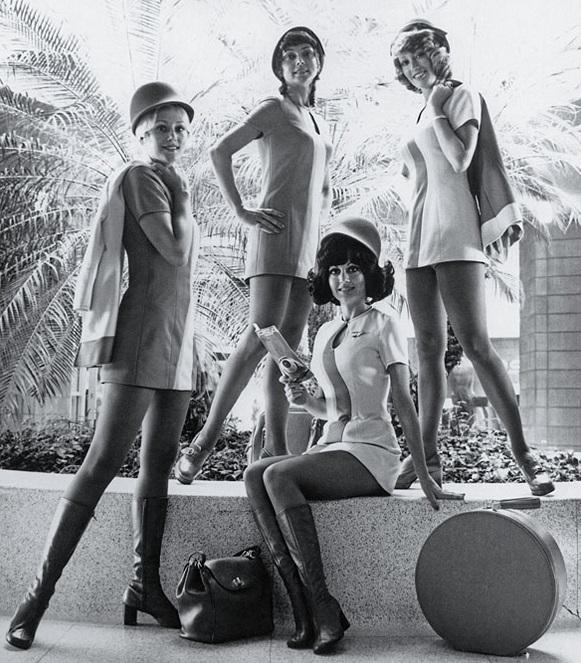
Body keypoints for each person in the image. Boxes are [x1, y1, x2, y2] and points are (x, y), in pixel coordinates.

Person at [5, 81, 199, 650]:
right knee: (101, 462)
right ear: (140, 133)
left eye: (180, 129)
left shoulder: (171, 180)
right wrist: (182, 198)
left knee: (157, 466)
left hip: (178, 340)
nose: (172, 137)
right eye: (161, 128)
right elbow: (173, 250)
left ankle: (145, 586)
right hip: (140, 338)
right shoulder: (143, 178)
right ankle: (35, 601)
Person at [244, 216, 463, 655]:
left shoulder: (385, 323)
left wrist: (422, 472)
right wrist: (304, 399)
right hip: (334, 445)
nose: (344, 280)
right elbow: (331, 409)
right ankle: (303, 611)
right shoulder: (326, 331)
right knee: (255, 475)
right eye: (335, 270)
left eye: (354, 269)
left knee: (277, 476)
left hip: (371, 452)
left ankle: (322, 605)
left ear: (370, 275)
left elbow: (402, 399)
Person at [390, 20, 554, 496]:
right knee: (427, 351)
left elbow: (460, 159)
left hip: (456, 234)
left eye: (419, 54)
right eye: (404, 61)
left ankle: (525, 457)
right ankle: (427, 461)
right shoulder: (424, 109)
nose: (412, 67)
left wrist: (436, 108)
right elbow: (418, 173)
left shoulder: (459, 96)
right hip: (418, 238)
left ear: (438, 51)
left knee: (477, 345)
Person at [175, 26, 332, 482]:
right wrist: (242, 211)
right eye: (290, 56)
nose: (299, 62)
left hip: (308, 248)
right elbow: (219, 151)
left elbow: (322, 190)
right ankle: (203, 442)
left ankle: (274, 449)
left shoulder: (316, 122)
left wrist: (323, 239)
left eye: (307, 53)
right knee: (259, 338)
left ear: (319, 61)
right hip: (274, 234)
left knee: (287, 352)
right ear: (280, 67)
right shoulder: (273, 109)